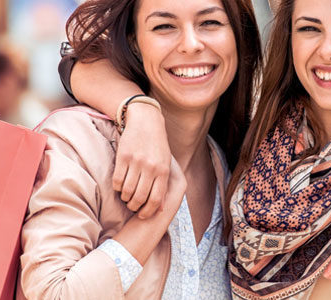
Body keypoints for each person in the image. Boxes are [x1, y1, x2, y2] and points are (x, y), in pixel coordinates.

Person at [61, 0, 331, 298]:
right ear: (289, 43)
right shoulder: (250, 154)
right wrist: (139, 111)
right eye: (310, 28)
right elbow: (78, 62)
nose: (329, 50)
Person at [17, 0, 261, 298]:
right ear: (134, 42)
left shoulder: (243, 171)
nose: (191, 44)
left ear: (239, 37)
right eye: (164, 26)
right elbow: (51, 294)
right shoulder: (79, 145)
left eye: (210, 23)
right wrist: (155, 215)